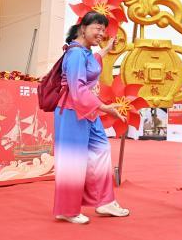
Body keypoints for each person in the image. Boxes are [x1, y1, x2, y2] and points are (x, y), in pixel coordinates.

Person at [53, 11, 129, 224]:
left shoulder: (85, 53)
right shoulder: (75, 54)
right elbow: (77, 88)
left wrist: (106, 49)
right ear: (83, 28)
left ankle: (104, 201)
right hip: (71, 111)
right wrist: (105, 108)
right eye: (97, 28)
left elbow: (92, 65)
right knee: (72, 161)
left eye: (103, 30)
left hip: (88, 111)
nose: (101, 33)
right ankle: (67, 210)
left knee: (101, 150)